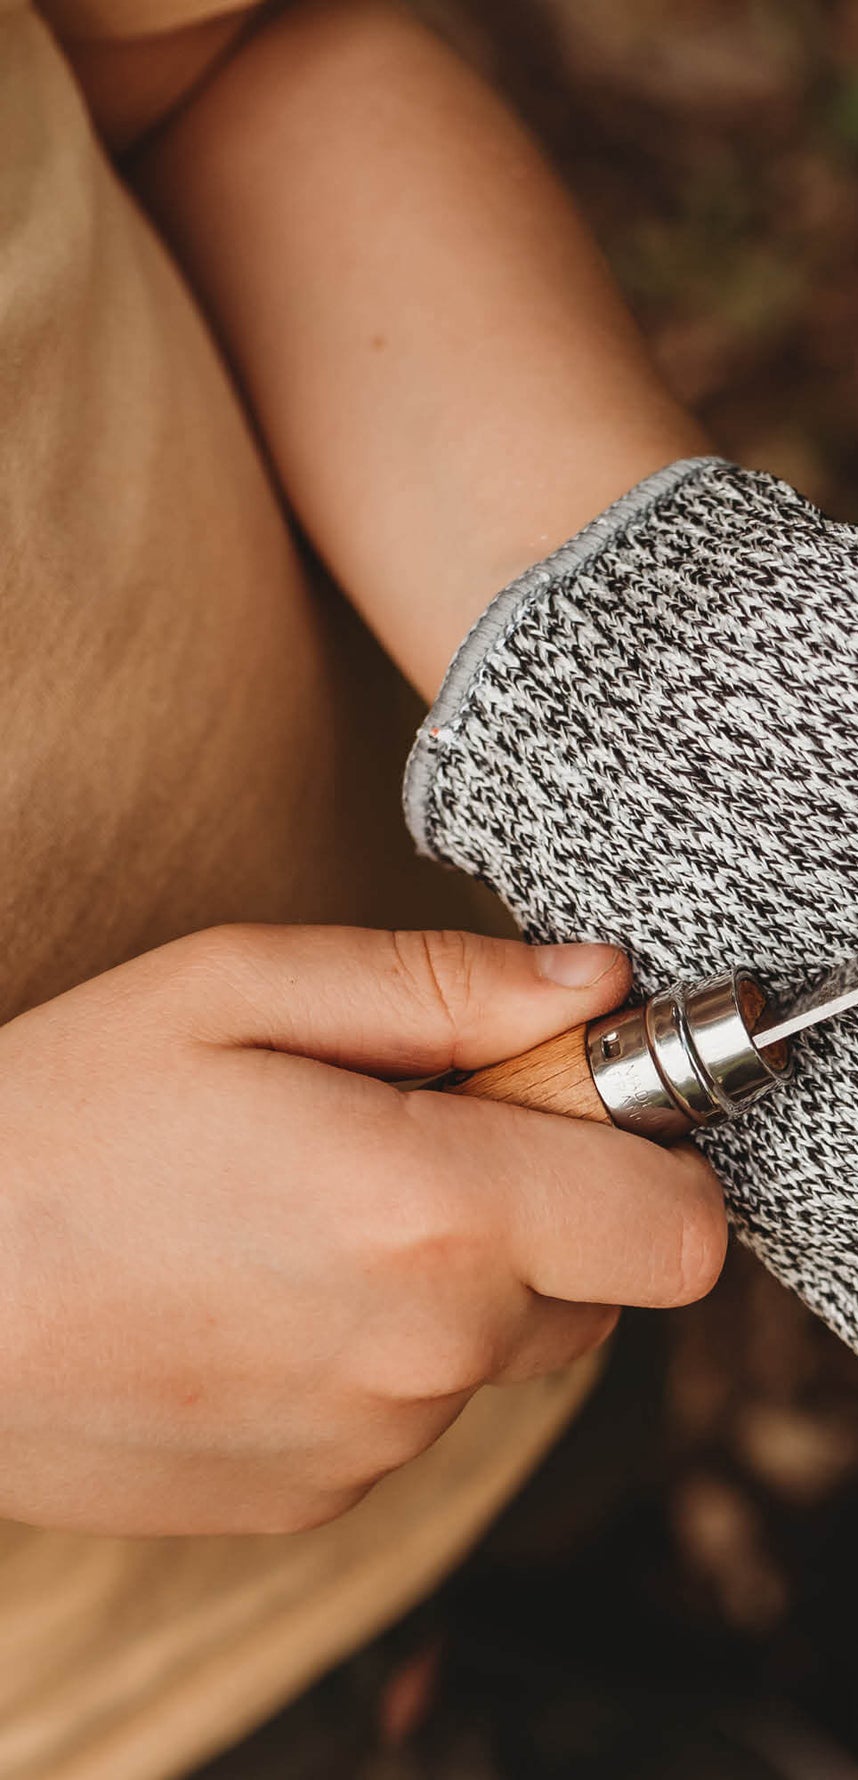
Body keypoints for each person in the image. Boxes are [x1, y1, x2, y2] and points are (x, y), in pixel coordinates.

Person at [0, 0, 729, 1770]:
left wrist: (634, 661)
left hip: (542, 1114)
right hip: (110, 1705)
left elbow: (216, 69)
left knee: (589, 1528)